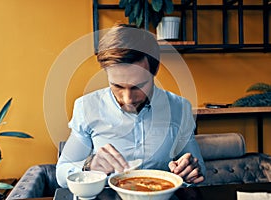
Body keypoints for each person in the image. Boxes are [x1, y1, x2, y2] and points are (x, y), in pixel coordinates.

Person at [56, 24, 205, 188]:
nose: (127, 99)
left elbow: (198, 171)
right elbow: (62, 174)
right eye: (117, 86)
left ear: (154, 72)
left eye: (138, 86)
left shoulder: (179, 108)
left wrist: (191, 171)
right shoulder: (87, 107)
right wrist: (89, 166)